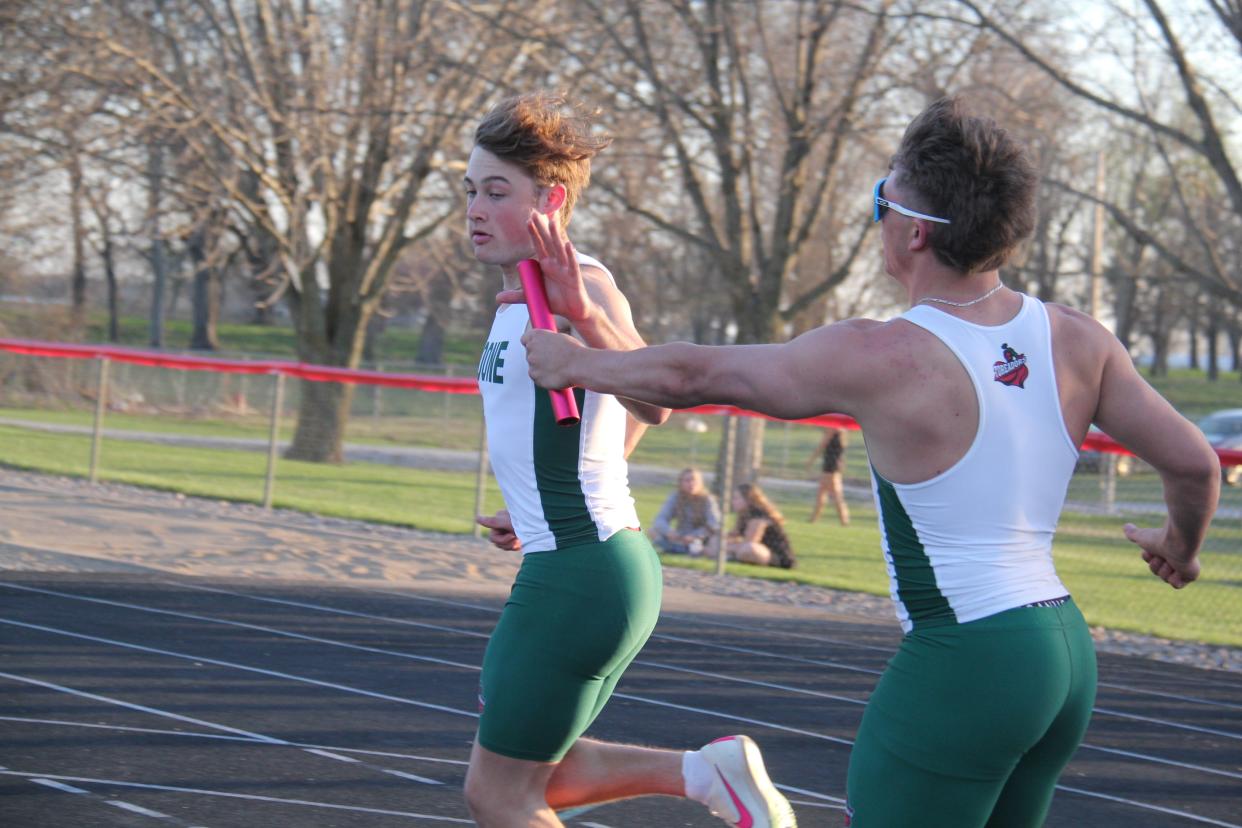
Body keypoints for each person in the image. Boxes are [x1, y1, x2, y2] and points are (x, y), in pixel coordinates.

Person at [521, 96, 1220, 827]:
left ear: (916, 232)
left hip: (968, 658)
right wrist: (1181, 548)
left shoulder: (881, 353)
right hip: (1063, 658)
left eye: (881, 200)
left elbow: (695, 377)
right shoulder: (1079, 338)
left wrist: (577, 361)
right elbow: (1195, 466)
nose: (878, 217)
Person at [463, 92, 796, 828]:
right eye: (470, 191)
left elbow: (655, 400)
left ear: (549, 200)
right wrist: (532, 508)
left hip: (583, 569)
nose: (475, 210)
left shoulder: (580, 282)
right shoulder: (512, 296)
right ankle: (707, 773)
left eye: (496, 192)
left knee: (497, 795)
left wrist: (582, 314)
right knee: (535, 774)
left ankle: (707, 774)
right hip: (583, 558)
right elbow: (611, 428)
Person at [650, 467, 721, 556]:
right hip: (680, 536)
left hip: (700, 538)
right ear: (681, 483)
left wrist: (695, 535)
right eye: (687, 480)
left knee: (714, 539)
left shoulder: (707, 499)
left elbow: (714, 524)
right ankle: (677, 548)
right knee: (653, 530)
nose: (691, 483)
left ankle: (679, 549)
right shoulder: (676, 497)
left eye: (694, 480)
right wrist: (669, 532)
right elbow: (660, 519)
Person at [726, 482, 796, 569]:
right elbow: (733, 535)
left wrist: (728, 546)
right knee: (717, 543)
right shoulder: (744, 515)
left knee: (747, 549)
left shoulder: (758, 515)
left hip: (776, 556)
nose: (733, 501)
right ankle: (730, 556)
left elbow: (751, 541)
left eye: (736, 498)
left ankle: (731, 556)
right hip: (756, 549)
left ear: (748, 500)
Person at [806, 427, 851, 525]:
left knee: (835, 495)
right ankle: (814, 518)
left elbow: (822, 446)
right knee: (822, 493)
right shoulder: (843, 432)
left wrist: (810, 460)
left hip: (830, 467)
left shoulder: (832, 430)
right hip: (833, 466)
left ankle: (844, 520)